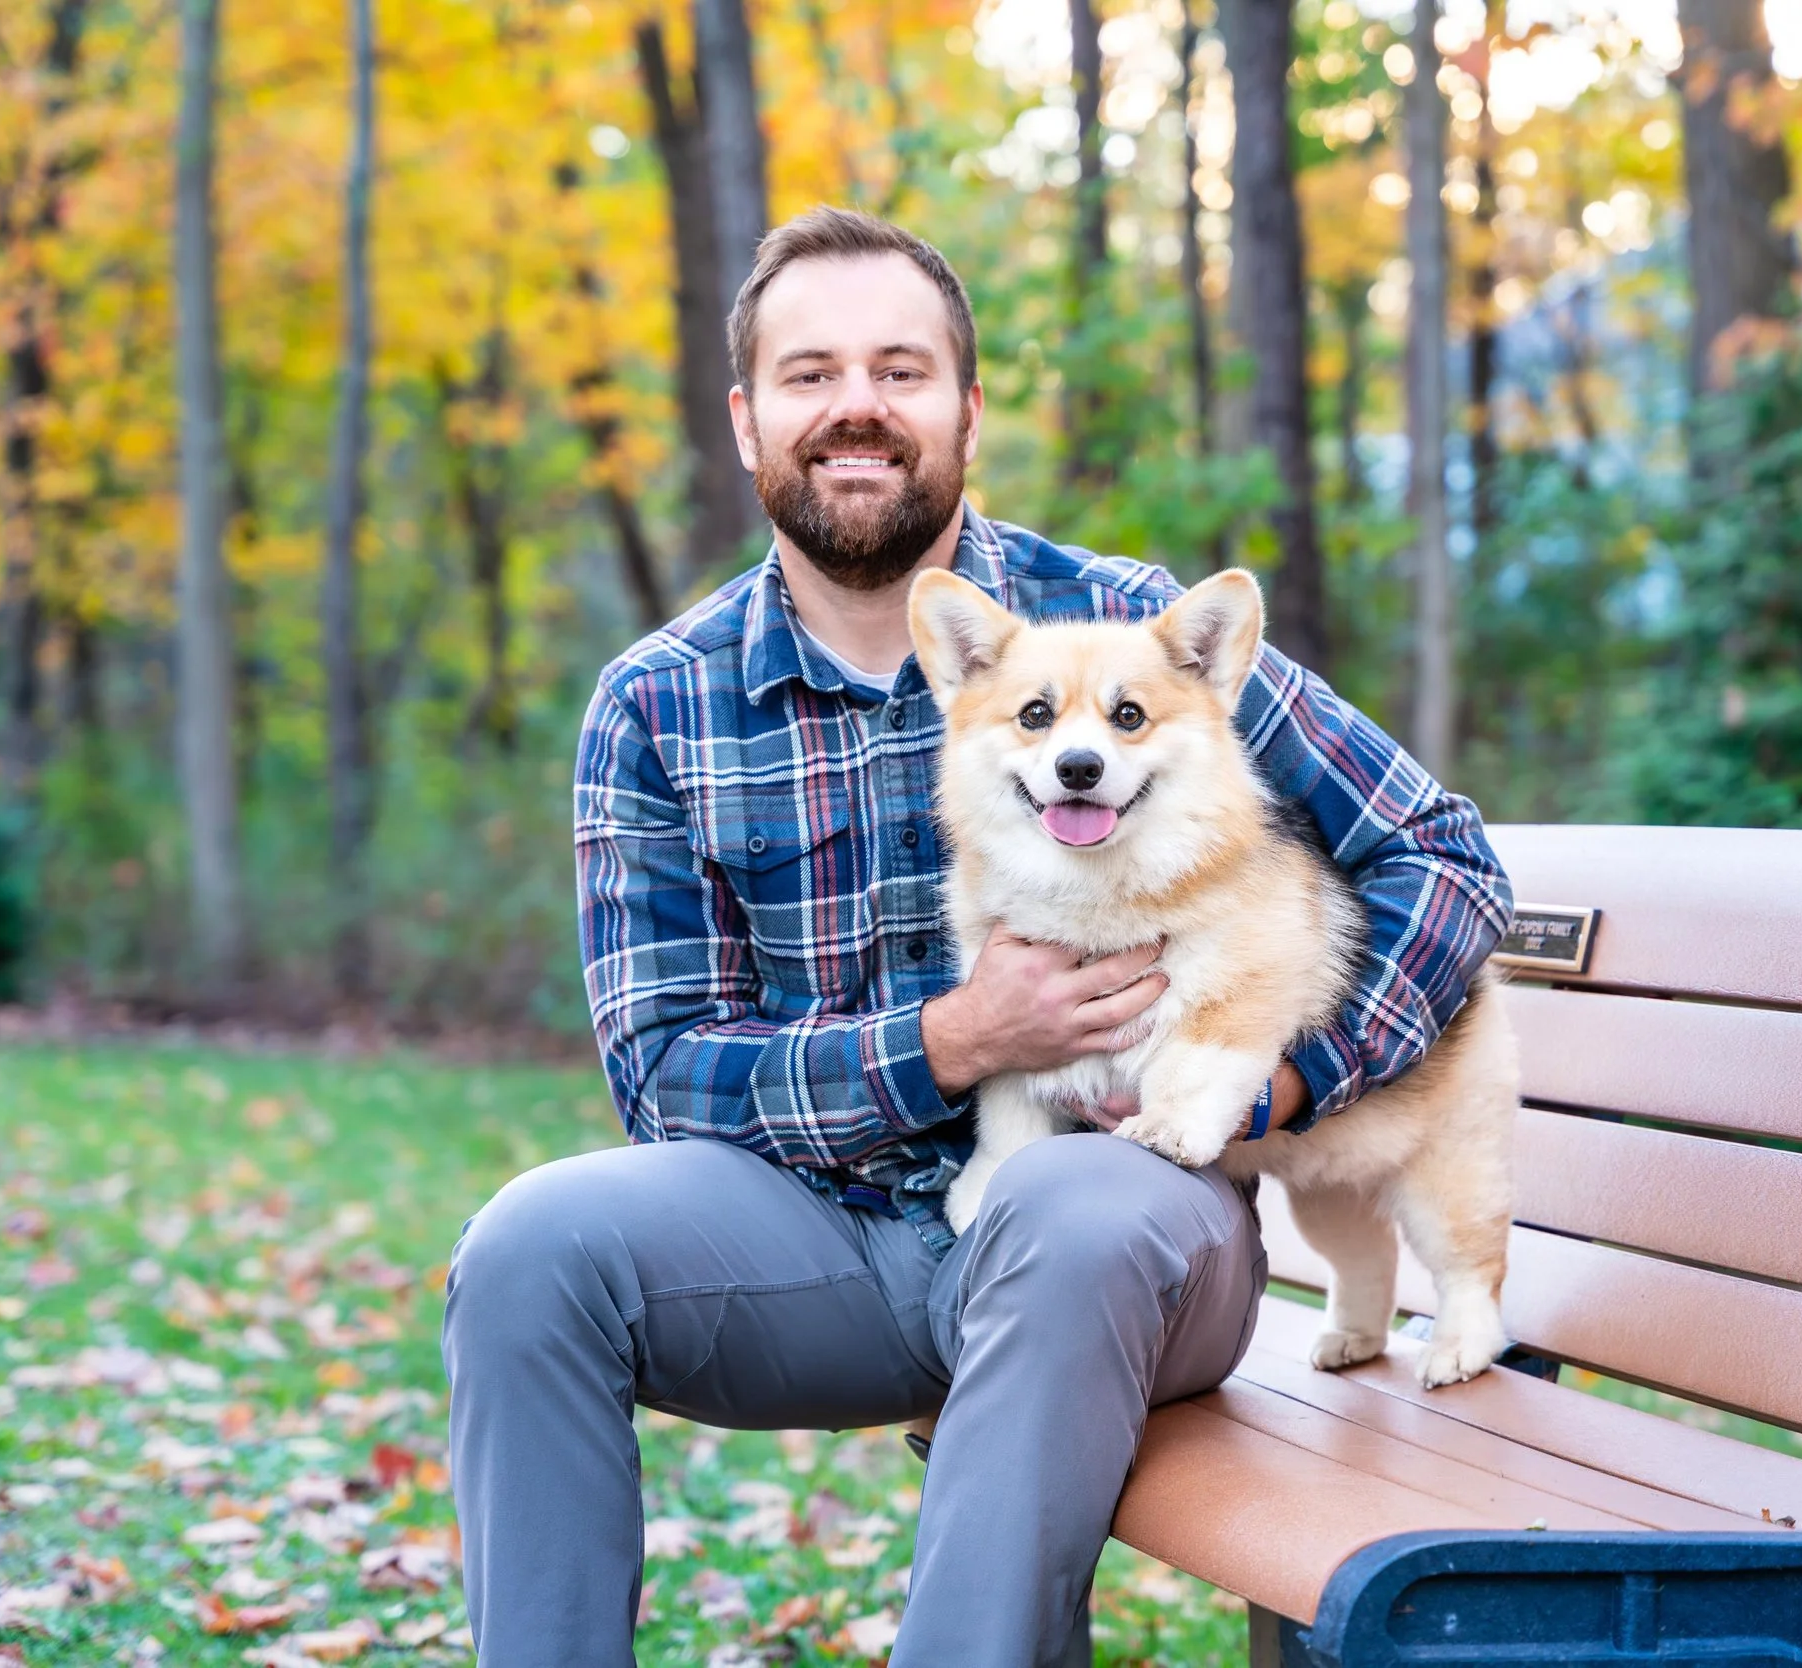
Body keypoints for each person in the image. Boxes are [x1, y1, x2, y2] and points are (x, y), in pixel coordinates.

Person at [442, 206, 1512, 1668]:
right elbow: (665, 1075)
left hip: (1126, 1220)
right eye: (810, 375)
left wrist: (1289, 1085)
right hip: (825, 1238)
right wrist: (952, 1042)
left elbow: (1441, 856)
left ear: (966, 405)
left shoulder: (1140, 637)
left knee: (1069, 1223)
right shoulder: (657, 701)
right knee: (529, 1250)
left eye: (902, 368)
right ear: (751, 418)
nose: (858, 407)